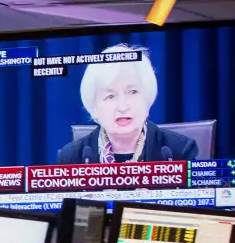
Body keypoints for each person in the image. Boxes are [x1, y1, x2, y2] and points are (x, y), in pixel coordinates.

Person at [57, 44, 199, 165]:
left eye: (133, 92)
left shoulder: (179, 152)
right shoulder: (71, 158)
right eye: (110, 96)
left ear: (147, 97)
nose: (123, 107)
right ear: (94, 106)